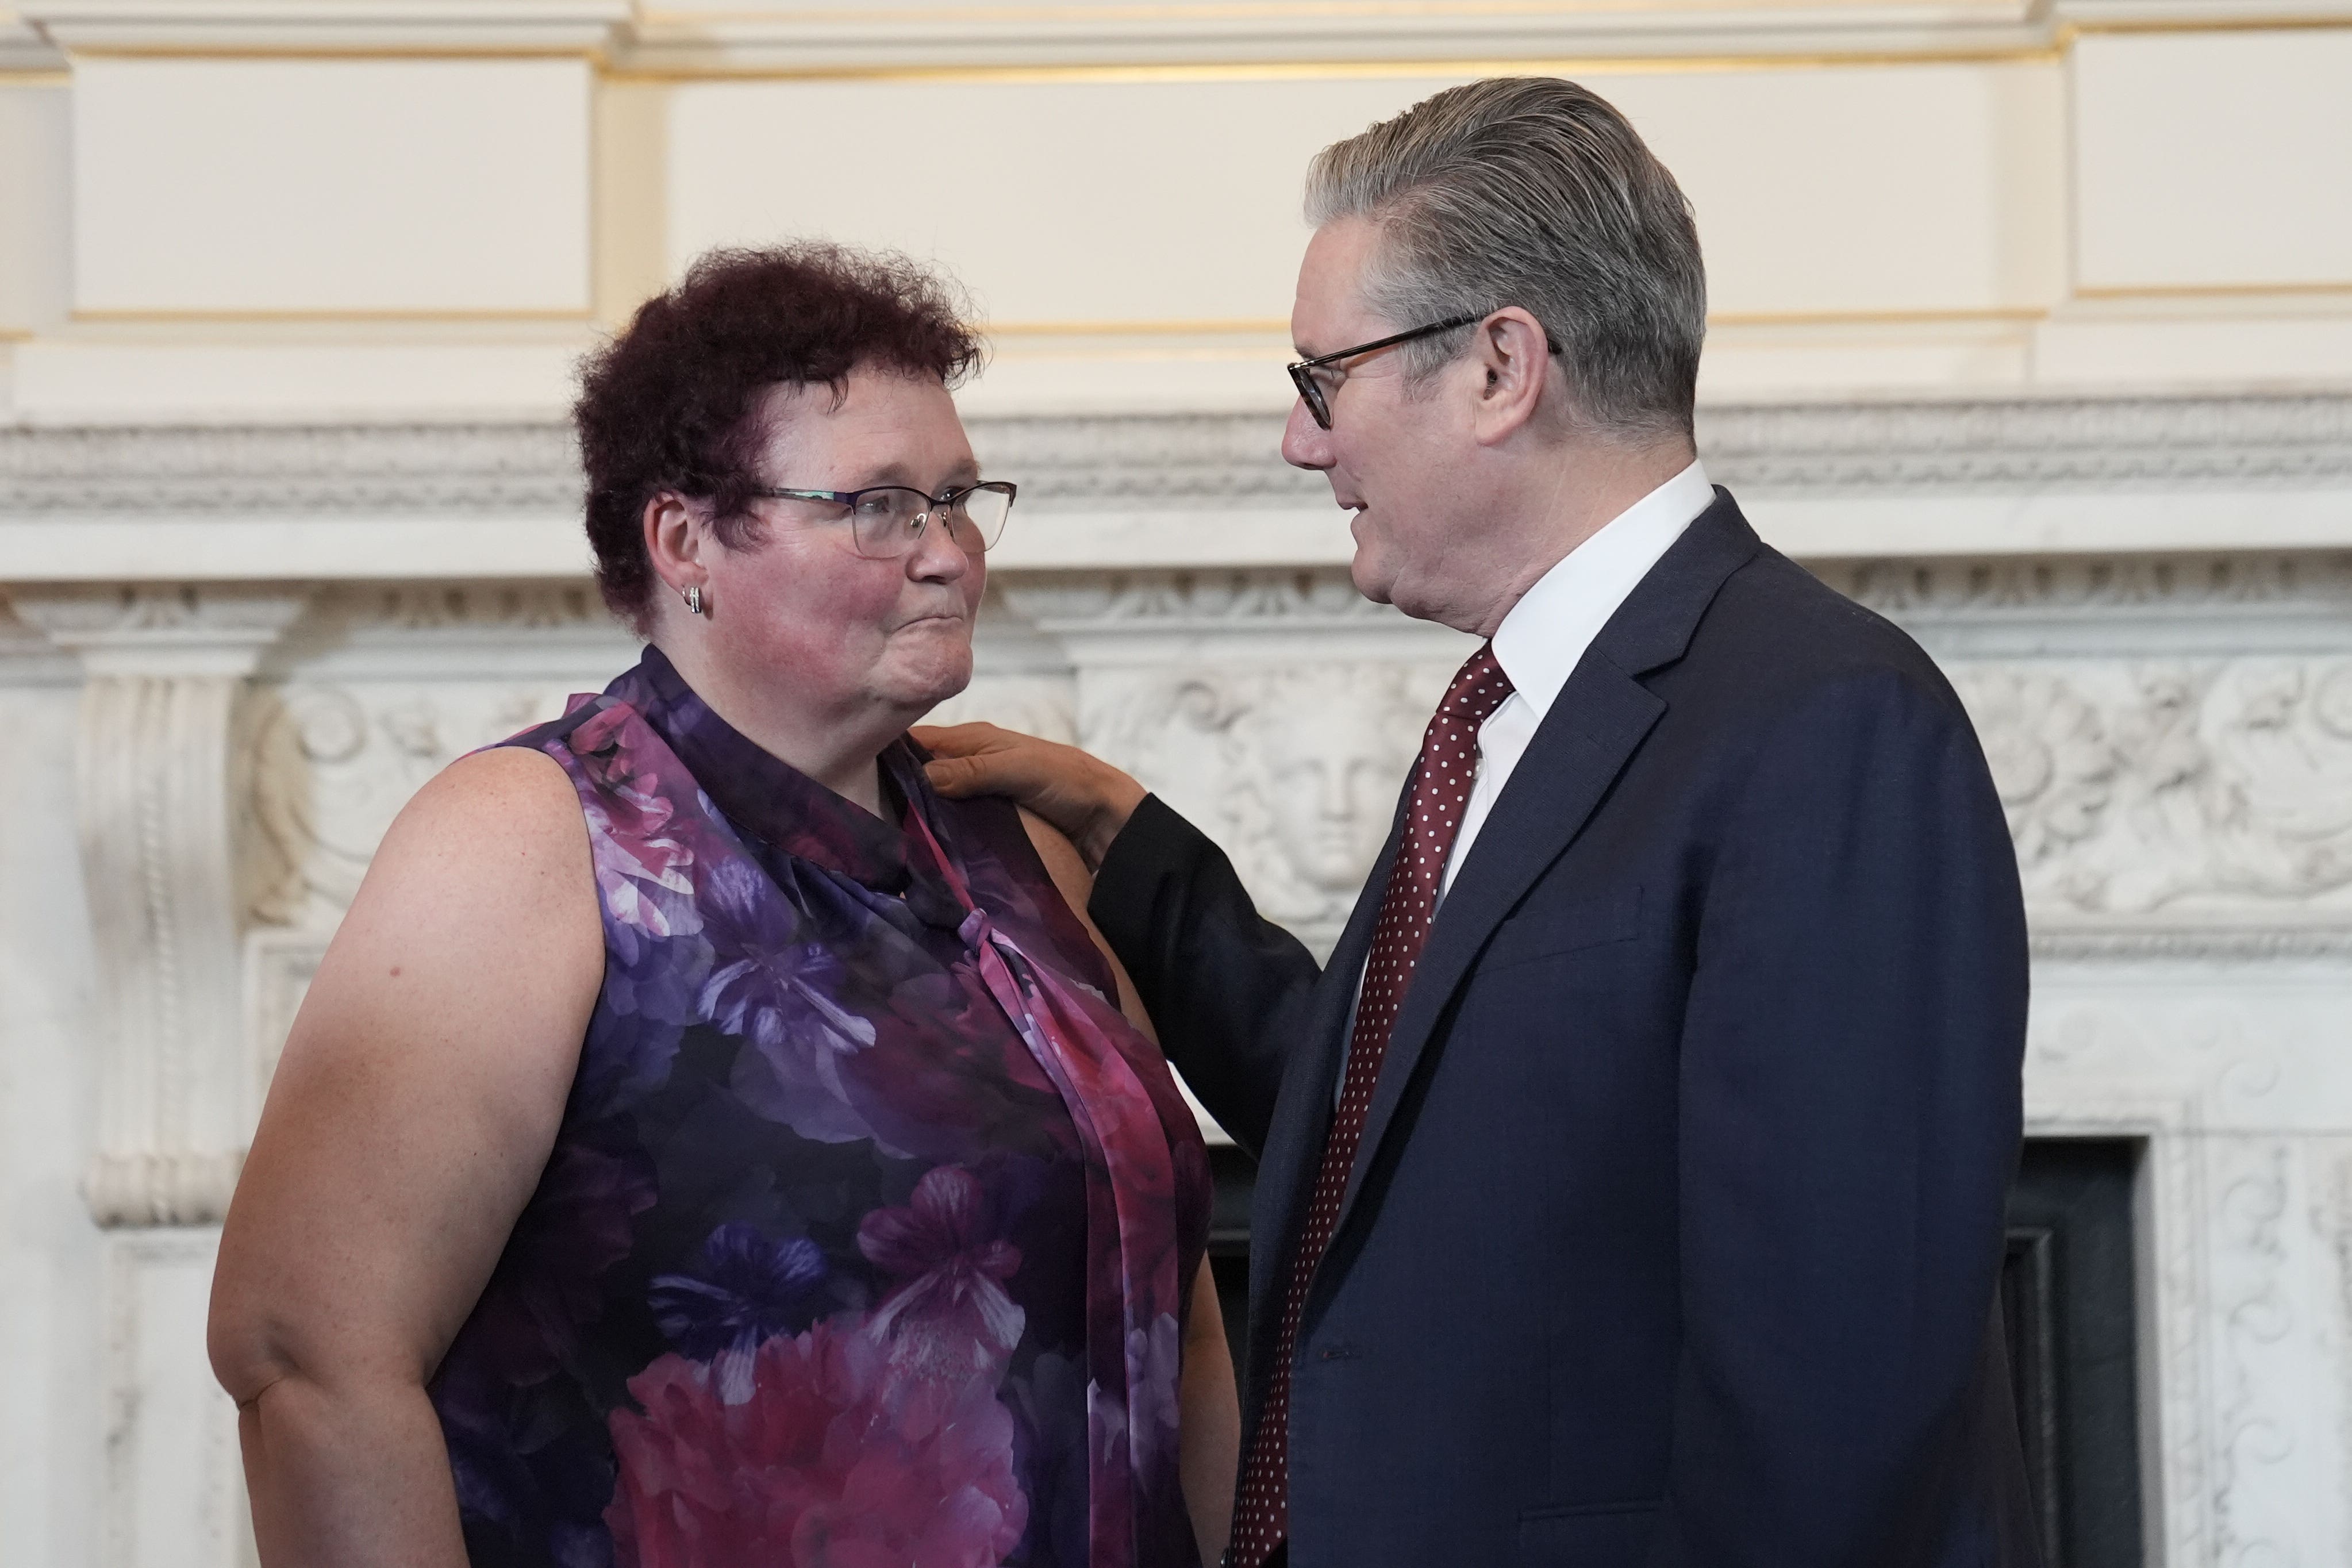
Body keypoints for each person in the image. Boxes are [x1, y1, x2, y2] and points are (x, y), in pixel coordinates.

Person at [921, 78, 2042, 1568]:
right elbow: (1435, 1151)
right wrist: (1144, 866)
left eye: (1323, 379)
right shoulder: (1515, 710)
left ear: (1500, 368)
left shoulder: (1826, 725)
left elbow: (1836, 1400)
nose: (1299, 442)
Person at [207, 244, 1240, 1568]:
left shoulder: (1023, 844)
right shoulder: (532, 839)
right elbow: (309, 1356)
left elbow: (1176, 1318)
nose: (947, 554)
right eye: (880, 506)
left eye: (958, 498)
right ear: (686, 540)